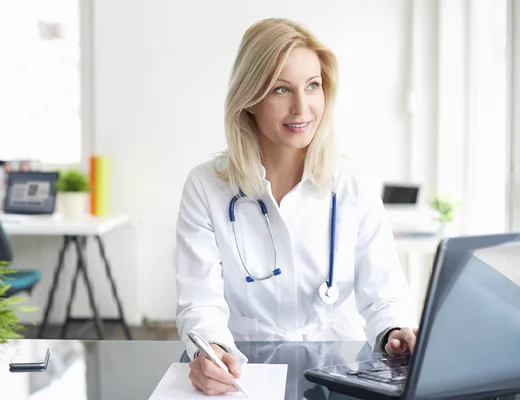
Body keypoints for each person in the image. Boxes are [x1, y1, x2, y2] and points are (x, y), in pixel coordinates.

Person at [175, 17, 419, 396]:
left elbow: (385, 295)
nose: (302, 108)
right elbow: (199, 303)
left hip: (337, 367)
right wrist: (213, 350)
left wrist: (395, 331)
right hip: (242, 369)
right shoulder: (206, 186)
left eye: (313, 86)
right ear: (249, 98)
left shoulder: (352, 183)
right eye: (280, 89)